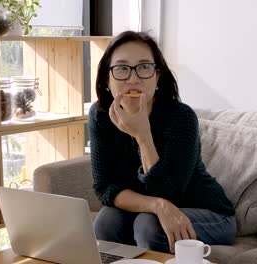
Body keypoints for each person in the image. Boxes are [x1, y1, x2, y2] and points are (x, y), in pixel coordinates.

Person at [89, 31, 236, 253]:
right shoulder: (100, 115)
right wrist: (157, 205)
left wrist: (142, 135)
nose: (133, 78)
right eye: (121, 68)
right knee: (106, 220)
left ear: (157, 76)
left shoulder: (181, 118)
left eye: (144, 67)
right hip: (153, 209)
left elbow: (171, 194)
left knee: (149, 226)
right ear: (107, 79)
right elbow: (105, 188)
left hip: (212, 214)